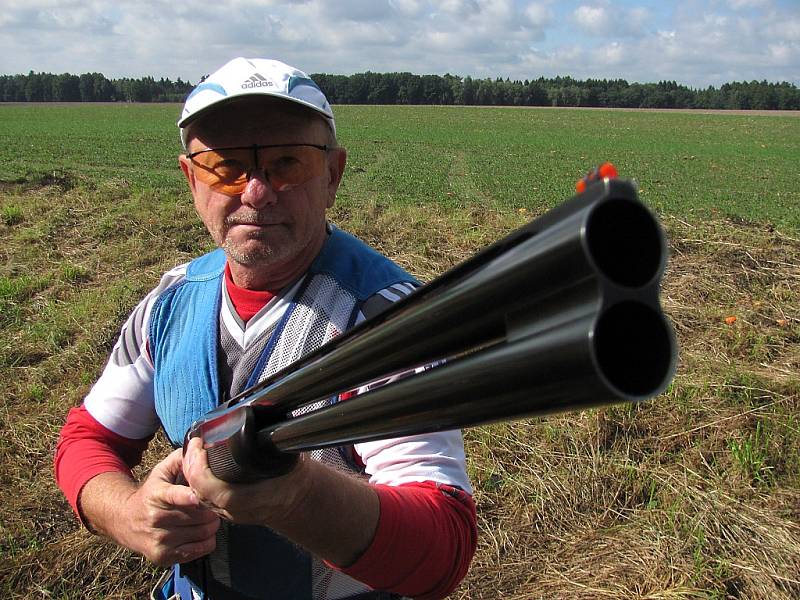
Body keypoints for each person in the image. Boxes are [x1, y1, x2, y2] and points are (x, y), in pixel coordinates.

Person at [54, 57, 477, 600]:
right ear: (191, 178)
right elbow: (89, 438)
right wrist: (126, 513)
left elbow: (442, 550)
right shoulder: (170, 303)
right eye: (224, 166)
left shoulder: (388, 324)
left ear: (332, 175)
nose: (255, 192)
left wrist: (297, 496)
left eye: (287, 162)